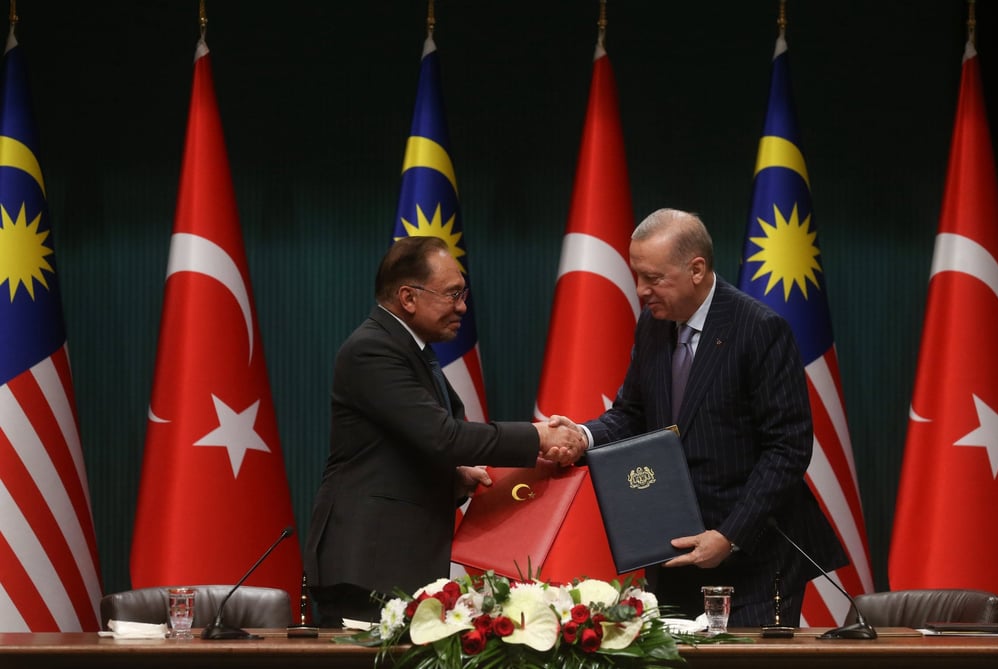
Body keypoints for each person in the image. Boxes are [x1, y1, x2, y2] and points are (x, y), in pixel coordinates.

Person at [556, 209, 846, 626]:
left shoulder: (760, 330)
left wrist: (729, 537)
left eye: (653, 278)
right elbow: (633, 415)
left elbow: (787, 448)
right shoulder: (653, 326)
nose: (640, 290)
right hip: (672, 557)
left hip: (753, 565)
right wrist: (582, 436)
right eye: (637, 275)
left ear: (697, 269)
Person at [304, 235, 584, 625]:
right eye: (453, 294)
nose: (462, 307)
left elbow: (408, 447)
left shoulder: (411, 349)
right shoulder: (373, 350)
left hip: (393, 564)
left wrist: (453, 478)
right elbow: (444, 436)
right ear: (408, 297)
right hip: (368, 564)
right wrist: (539, 436)